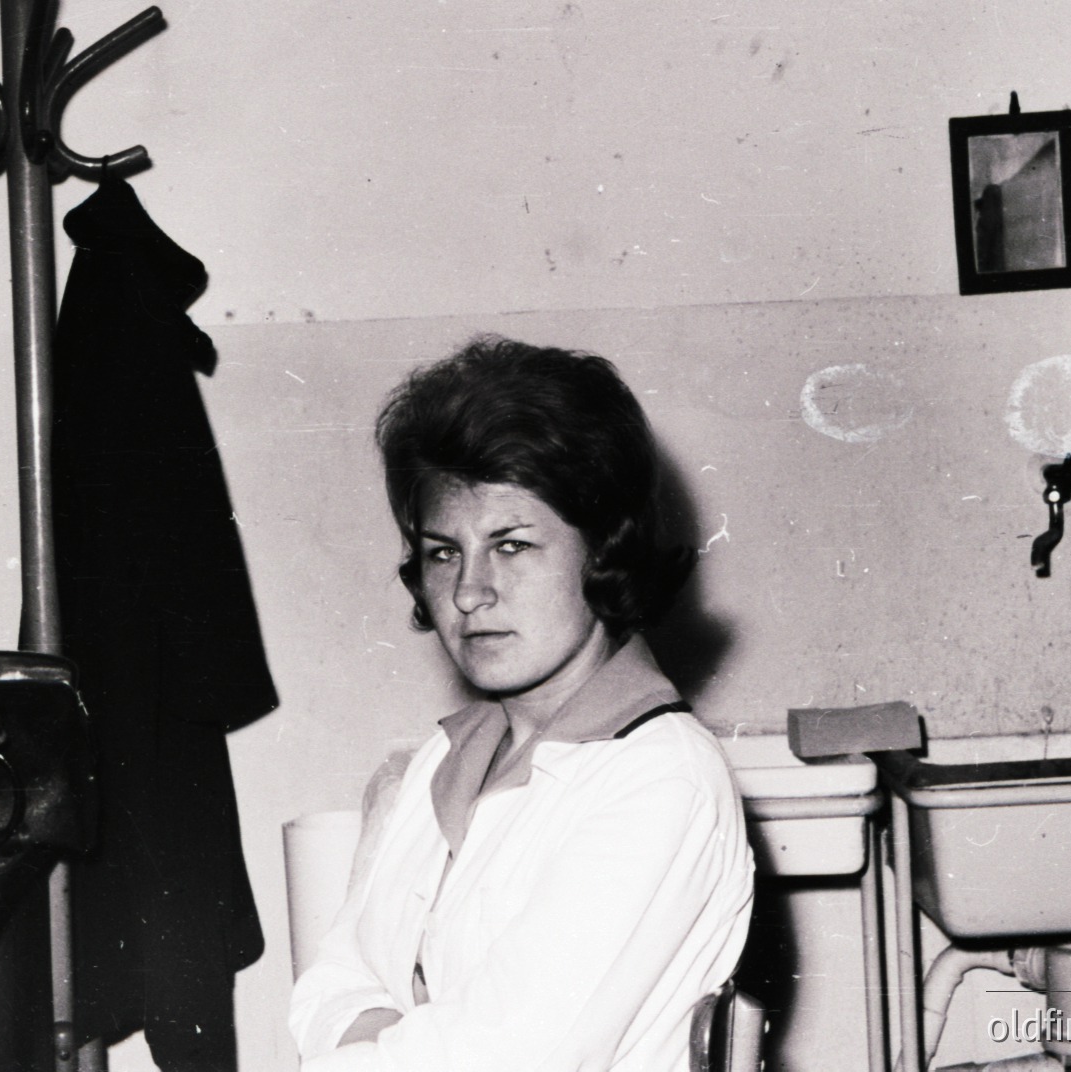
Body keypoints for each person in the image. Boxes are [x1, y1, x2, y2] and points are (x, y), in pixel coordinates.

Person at [289, 337, 754, 1072]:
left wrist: (379, 1037)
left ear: (604, 549)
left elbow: (502, 1058)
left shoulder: (659, 779)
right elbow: (326, 990)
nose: (469, 591)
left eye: (510, 546)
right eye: (444, 552)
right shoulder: (449, 755)